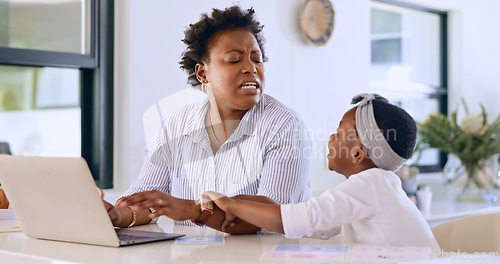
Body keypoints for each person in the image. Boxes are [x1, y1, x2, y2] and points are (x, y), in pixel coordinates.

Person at [107, 6, 312, 234]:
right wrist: (116, 215)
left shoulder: (284, 125)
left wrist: (194, 210)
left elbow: (276, 216)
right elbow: (148, 200)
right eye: (234, 60)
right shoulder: (176, 125)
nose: (251, 68)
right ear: (202, 73)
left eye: (257, 59)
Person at [200, 93, 440, 249]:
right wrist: (237, 202)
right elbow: (314, 225)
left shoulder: (370, 185)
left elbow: (298, 220)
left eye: (338, 132)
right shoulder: (380, 185)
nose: (331, 138)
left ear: (358, 154)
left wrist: (231, 205)